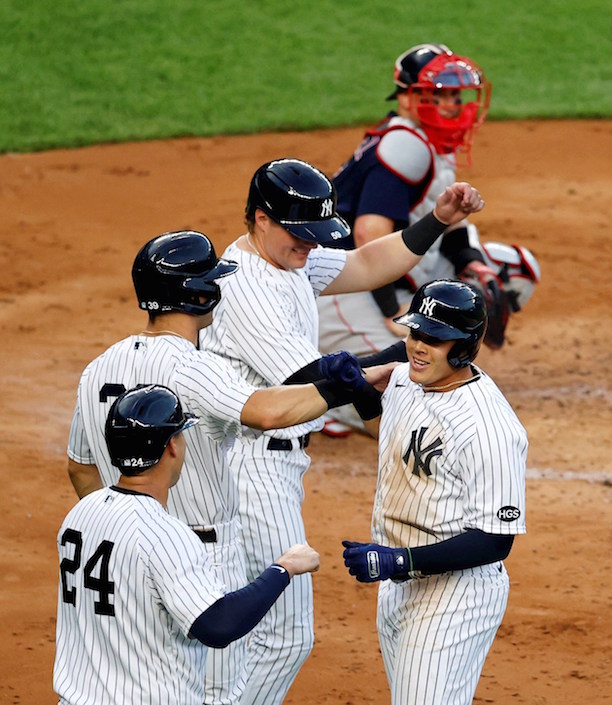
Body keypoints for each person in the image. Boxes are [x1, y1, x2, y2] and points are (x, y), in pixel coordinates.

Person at [198, 157, 485, 705]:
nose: (309, 246)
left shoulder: (287, 258)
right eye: (299, 234)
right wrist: (415, 349)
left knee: (259, 634)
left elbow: (364, 263)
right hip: (250, 467)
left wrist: (438, 219)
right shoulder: (250, 290)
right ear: (261, 218)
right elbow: (318, 384)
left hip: (269, 462)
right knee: (284, 637)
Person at [65, 229, 377, 705]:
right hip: (202, 553)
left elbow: (81, 468)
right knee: (213, 691)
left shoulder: (98, 367)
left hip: (121, 550)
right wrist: (336, 388)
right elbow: (268, 412)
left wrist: (126, 525)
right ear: (197, 294)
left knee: (127, 674)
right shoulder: (194, 366)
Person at [316, 43, 540, 436]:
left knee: (514, 270)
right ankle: (331, 401)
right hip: (346, 291)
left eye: (456, 95)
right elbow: (369, 234)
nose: (454, 104)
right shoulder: (405, 145)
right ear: (408, 96)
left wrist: (471, 260)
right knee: (406, 390)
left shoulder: (430, 139)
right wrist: (391, 310)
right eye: (441, 95)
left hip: (388, 272)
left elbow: (446, 221)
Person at [55, 384, 320, 705]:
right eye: (180, 435)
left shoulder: (79, 515)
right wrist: (284, 569)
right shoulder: (164, 534)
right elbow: (218, 624)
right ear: (171, 447)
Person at [342, 279, 527, 705]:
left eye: (434, 339)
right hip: (399, 580)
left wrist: (401, 559)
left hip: (455, 596)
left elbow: (496, 540)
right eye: (414, 333)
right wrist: (357, 393)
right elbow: (397, 439)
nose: (417, 346)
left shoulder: (489, 429)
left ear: (463, 347)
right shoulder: (407, 379)